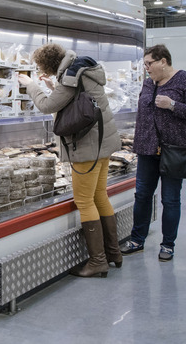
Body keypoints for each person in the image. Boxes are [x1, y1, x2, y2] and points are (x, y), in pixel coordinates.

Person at [19, 43, 122, 278]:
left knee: (84, 201)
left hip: (87, 147)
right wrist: (52, 85)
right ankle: (113, 253)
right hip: (103, 143)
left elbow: (47, 106)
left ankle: (97, 261)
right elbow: (72, 96)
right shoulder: (82, 68)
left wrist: (31, 85)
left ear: (49, 65)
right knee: (100, 195)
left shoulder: (70, 76)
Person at [122, 44, 186, 262]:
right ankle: (137, 239)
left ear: (163, 61)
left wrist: (173, 105)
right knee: (142, 195)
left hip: (174, 150)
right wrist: (136, 144)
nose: (147, 69)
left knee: (170, 199)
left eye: (149, 64)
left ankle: (168, 245)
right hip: (147, 151)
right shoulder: (148, 84)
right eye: (144, 65)